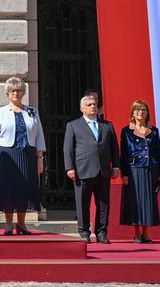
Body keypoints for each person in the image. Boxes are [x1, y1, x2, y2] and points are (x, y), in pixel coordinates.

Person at [0, 76, 44, 235]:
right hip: (7, 155)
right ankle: (8, 224)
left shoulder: (32, 112)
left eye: (19, 90)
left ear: (23, 93)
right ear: (7, 93)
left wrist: (40, 158)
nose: (16, 93)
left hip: (27, 155)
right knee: (8, 190)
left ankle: (21, 223)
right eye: (12, 91)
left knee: (24, 189)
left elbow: (39, 135)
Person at [63, 94, 120, 243]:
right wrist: (70, 167)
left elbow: (114, 148)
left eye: (94, 104)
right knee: (83, 203)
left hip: (103, 170)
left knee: (103, 204)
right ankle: (84, 233)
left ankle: (101, 232)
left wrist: (116, 166)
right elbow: (68, 149)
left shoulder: (107, 126)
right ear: (82, 108)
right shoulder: (73, 125)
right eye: (89, 105)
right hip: (83, 170)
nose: (93, 107)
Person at [119, 100, 160, 243]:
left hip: (151, 169)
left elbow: (158, 152)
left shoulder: (154, 131)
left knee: (148, 202)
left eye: (143, 110)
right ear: (132, 113)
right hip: (134, 170)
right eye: (137, 110)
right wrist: (124, 173)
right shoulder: (126, 131)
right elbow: (124, 154)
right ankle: (137, 233)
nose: (140, 112)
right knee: (135, 201)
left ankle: (146, 233)